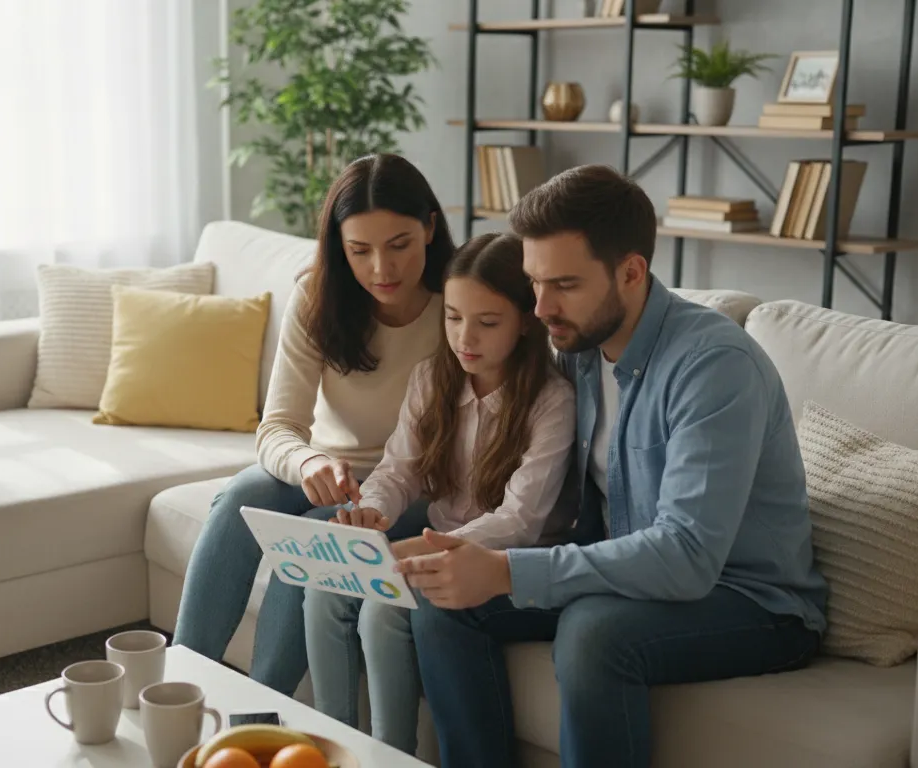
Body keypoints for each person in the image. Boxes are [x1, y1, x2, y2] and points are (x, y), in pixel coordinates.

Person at [396, 164, 830, 768]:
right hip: (634, 574)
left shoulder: (713, 367)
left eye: (565, 285)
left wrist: (505, 571)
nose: (541, 308)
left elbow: (685, 557)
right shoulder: (577, 350)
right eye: (534, 282)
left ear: (631, 272)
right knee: (442, 600)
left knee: (593, 632)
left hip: (751, 601)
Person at [172, 153, 456, 696]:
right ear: (338, 247)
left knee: (313, 536)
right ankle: (178, 689)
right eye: (360, 251)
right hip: (330, 469)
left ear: (430, 228)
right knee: (243, 495)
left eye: (399, 244)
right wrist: (310, 460)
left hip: (417, 484)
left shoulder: (461, 302)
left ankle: (257, 713)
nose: (382, 269)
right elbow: (277, 428)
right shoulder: (318, 296)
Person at [303, 232, 575, 755]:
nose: (464, 337)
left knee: (384, 608)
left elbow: (521, 521)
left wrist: (421, 551)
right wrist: (370, 514)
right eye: (452, 317)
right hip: (438, 542)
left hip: (508, 559)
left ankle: (391, 754)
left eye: (487, 322)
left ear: (525, 321)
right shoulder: (433, 378)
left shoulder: (551, 401)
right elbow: (399, 470)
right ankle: (333, 746)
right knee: (325, 585)